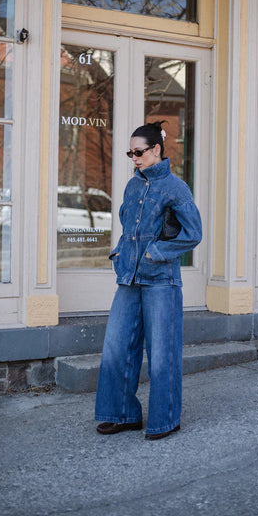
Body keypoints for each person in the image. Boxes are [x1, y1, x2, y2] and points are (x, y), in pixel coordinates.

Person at [95, 121, 202, 440]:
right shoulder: (132, 186)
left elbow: (193, 234)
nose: (134, 158)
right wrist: (119, 252)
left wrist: (155, 252)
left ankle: (165, 418)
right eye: (130, 153)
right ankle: (121, 413)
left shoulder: (176, 187)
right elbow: (127, 225)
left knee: (162, 352)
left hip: (161, 282)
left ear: (156, 149)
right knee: (116, 347)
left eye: (139, 152)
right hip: (128, 279)